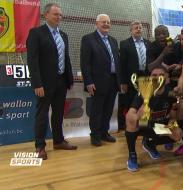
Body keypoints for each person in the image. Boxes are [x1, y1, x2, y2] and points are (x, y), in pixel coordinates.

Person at [26, 3, 77, 160]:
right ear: (45, 15)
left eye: (60, 15)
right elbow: (32, 61)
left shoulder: (64, 35)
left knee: (58, 114)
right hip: (44, 84)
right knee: (42, 115)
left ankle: (58, 141)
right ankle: (40, 146)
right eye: (56, 14)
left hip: (61, 81)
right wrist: (37, 83)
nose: (59, 17)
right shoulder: (36, 33)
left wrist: (69, 79)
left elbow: (65, 58)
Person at [125, 66, 183, 172]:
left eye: (160, 75)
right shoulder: (143, 93)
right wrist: (138, 115)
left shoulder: (171, 94)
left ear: (167, 78)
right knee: (131, 123)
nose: (156, 78)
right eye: (153, 75)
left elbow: (173, 117)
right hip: (143, 126)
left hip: (158, 127)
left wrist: (172, 128)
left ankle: (149, 144)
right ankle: (132, 155)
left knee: (178, 134)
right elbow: (129, 116)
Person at [80, 14, 119, 146]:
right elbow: (85, 63)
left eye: (108, 22)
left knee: (108, 110)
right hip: (97, 83)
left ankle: (104, 133)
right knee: (97, 111)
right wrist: (88, 82)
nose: (106, 24)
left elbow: (116, 62)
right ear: (96, 23)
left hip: (113, 82)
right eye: (103, 22)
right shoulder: (88, 39)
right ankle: (95, 135)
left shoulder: (114, 41)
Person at [119, 21, 150, 131]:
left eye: (140, 28)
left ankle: (143, 126)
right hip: (131, 79)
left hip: (146, 78)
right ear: (131, 30)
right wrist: (123, 82)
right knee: (131, 103)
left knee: (145, 102)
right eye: (136, 28)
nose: (138, 29)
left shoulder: (148, 43)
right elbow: (122, 64)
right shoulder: (124, 44)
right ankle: (131, 126)